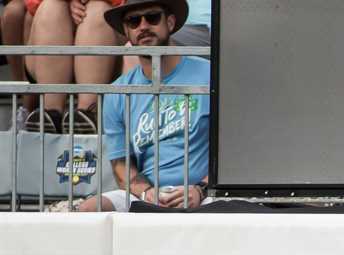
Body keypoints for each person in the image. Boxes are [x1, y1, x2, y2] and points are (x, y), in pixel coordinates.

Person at [76, 0, 208, 210]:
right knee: (87, 210)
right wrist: (146, 192)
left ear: (171, 23)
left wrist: (200, 189)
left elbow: (233, 153)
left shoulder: (209, 75)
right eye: (134, 21)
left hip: (204, 192)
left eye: (153, 17)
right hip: (149, 193)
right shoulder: (118, 92)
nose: (143, 26)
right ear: (127, 33)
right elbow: (121, 164)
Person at [23, 0, 124, 132]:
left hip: (110, 52)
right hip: (43, 57)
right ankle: (51, 115)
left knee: (97, 10)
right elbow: (32, 4)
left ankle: (87, 114)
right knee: (51, 7)